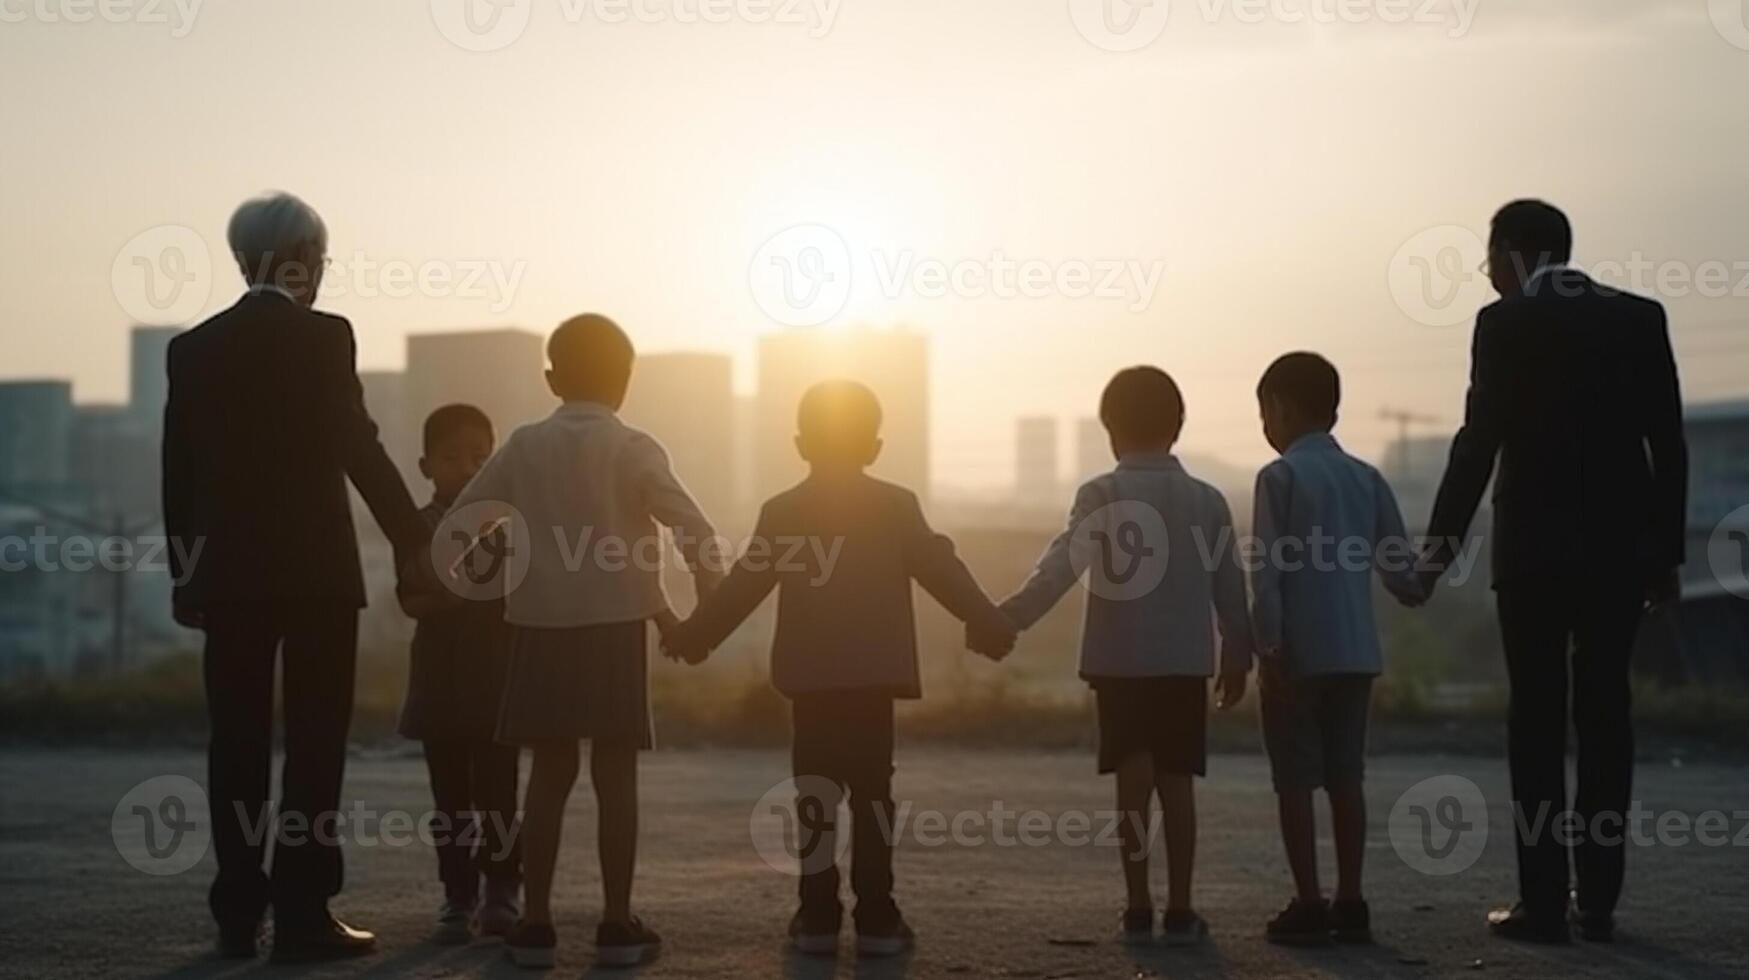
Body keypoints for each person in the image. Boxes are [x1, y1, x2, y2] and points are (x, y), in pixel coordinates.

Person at [664, 379, 1016, 959]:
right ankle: (877, 916)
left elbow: (743, 587)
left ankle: (818, 915)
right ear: (875, 446)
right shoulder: (897, 505)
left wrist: (695, 637)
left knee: (815, 796)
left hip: (813, 686)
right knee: (874, 795)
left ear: (800, 443)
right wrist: (987, 621)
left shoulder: (783, 511)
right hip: (873, 683)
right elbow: (940, 567)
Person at [161, 192, 425, 962]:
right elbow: (358, 445)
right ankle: (304, 914)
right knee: (315, 744)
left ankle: (238, 914)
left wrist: (188, 577)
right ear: (307, 259)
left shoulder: (193, 348)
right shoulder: (326, 337)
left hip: (230, 579)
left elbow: (178, 473)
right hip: (317, 575)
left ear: (243, 259)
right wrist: (413, 540)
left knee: (235, 741)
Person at [1419, 200, 1688, 944]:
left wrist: (1438, 549)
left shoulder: (1502, 324)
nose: (1487, 275)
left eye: (1487, 259)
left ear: (1509, 253)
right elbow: (1666, 442)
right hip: (1616, 555)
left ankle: (1541, 905)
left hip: (1531, 555)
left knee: (1535, 722)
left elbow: (1478, 440)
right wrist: (1663, 555)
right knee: (1605, 715)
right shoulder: (1639, 317)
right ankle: (1597, 900)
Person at [444, 314, 721, 968]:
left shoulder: (522, 447)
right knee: (614, 775)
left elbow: (462, 526)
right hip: (614, 636)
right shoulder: (634, 447)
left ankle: (534, 922)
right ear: (625, 383)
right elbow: (692, 531)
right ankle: (616, 921)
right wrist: (701, 614)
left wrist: (502, 571)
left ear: (551, 379)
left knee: (548, 774)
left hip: (538, 632)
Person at [994, 366, 1253, 947]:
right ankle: (1182, 907)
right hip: (1185, 661)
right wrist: (1238, 650)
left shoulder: (1101, 493)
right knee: (1178, 782)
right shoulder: (1208, 500)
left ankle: (1138, 904)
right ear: (1179, 426)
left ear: (1110, 429)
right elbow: (1230, 587)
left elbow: (1060, 566)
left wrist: (1007, 617)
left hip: (1118, 662)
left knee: (1132, 781)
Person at [1248, 353, 1424, 947]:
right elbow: (1400, 571)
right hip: (1356, 651)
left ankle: (1308, 899)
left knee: (1294, 780)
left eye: (1264, 412)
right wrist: (1426, 579)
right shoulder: (1366, 477)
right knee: (1347, 778)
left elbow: (1267, 574)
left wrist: (1265, 646)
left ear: (1281, 408)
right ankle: (1351, 899)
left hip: (1298, 653)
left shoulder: (1279, 478)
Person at [396, 404, 522, 943]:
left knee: (498, 793)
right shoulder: (419, 527)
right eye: (451, 458)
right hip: (441, 684)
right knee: (449, 800)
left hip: (498, 683)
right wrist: (451, 596)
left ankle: (501, 890)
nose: (467, 468)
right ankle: (458, 894)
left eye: (479, 457)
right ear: (426, 467)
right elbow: (411, 600)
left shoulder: (509, 524)